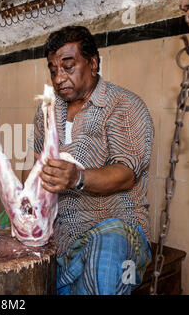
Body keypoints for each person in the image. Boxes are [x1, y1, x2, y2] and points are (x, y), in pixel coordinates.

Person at [22, 26, 154, 295]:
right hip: (61, 234)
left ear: (93, 64)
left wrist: (77, 178)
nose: (59, 78)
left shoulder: (123, 105)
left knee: (104, 259)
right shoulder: (46, 111)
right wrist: (27, 202)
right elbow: (34, 167)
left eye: (68, 67)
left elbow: (126, 172)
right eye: (53, 69)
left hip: (116, 227)